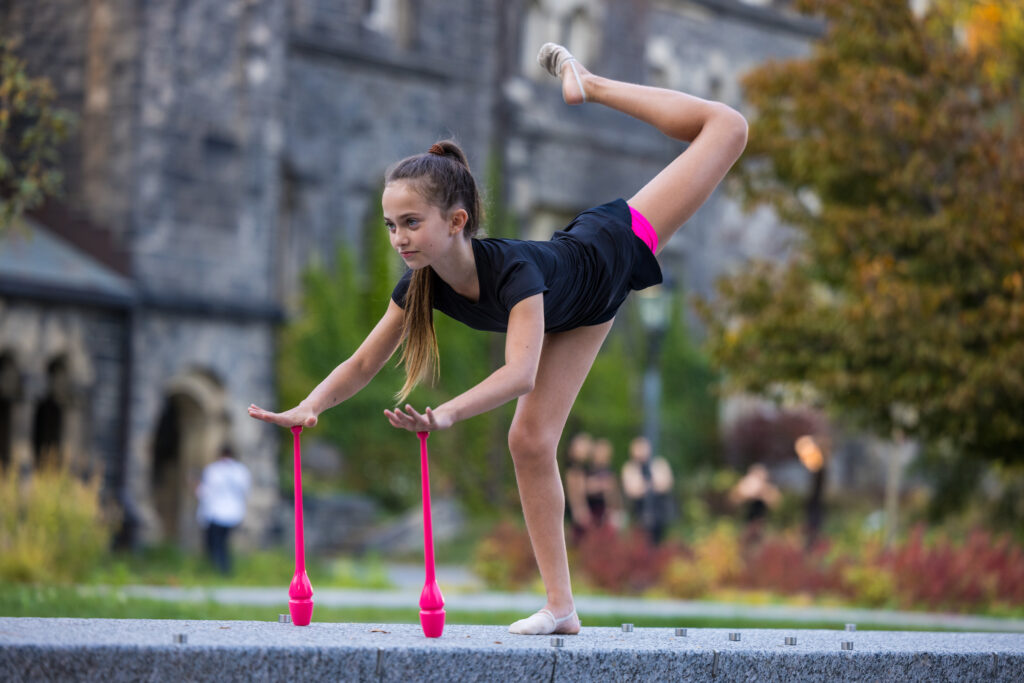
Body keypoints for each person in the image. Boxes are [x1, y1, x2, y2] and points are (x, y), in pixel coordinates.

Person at [248, 42, 747, 635]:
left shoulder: (514, 272)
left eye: (411, 223)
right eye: (390, 225)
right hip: (582, 313)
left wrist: (446, 415)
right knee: (530, 442)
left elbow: (521, 374)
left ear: (456, 221)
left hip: (611, 246)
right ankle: (561, 610)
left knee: (728, 126)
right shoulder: (422, 287)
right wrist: (310, 406)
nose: (398, 238)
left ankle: (590, 82)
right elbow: (362, 362)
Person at [196, 444, 251, 575]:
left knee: (215, 544)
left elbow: (205, 493)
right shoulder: (241, 471)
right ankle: (225, 569)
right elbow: (246, 491)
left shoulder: (214, 470)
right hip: (234, 513)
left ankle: (220, 570)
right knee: (224, 543)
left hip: (216, 513)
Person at [620, 436, 674, 545]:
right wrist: (651, 485)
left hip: (659, 511)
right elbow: (632, 491)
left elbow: (666, 484)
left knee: (660, 542)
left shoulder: (659, 463)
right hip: (638, 511)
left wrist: (645, 486)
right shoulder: (629, 468)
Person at [728, 462, 781, 546]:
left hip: (761, 524)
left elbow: (775, 504)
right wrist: (746, 493)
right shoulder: (744, 486)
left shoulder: (768, 489)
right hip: (746, 523)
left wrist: (763, 493)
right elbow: (733, 501)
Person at [585, 437, 625, 531]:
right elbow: (588, 487)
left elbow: (613, 489)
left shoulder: (610, 470)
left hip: (606, 508)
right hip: (592, 507)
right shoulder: (589, 470)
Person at [564, 431, 595, 545]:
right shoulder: (573, 470)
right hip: (579, 512)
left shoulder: (585, 468)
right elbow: (575, 494)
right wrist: (579, 510)